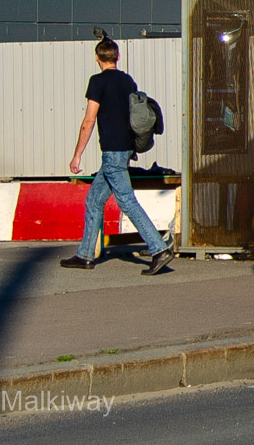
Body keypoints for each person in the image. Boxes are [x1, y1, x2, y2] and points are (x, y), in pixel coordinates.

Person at [61, 37, 175, 274]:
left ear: (97, 57)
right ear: (117, 57)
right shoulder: (127, 81)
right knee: (94, 201)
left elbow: (89, 120)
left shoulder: (97, 82)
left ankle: (158, 248)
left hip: (112, 152)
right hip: (124, 149)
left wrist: (77, 156)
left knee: (126, 201)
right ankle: (84, 255)